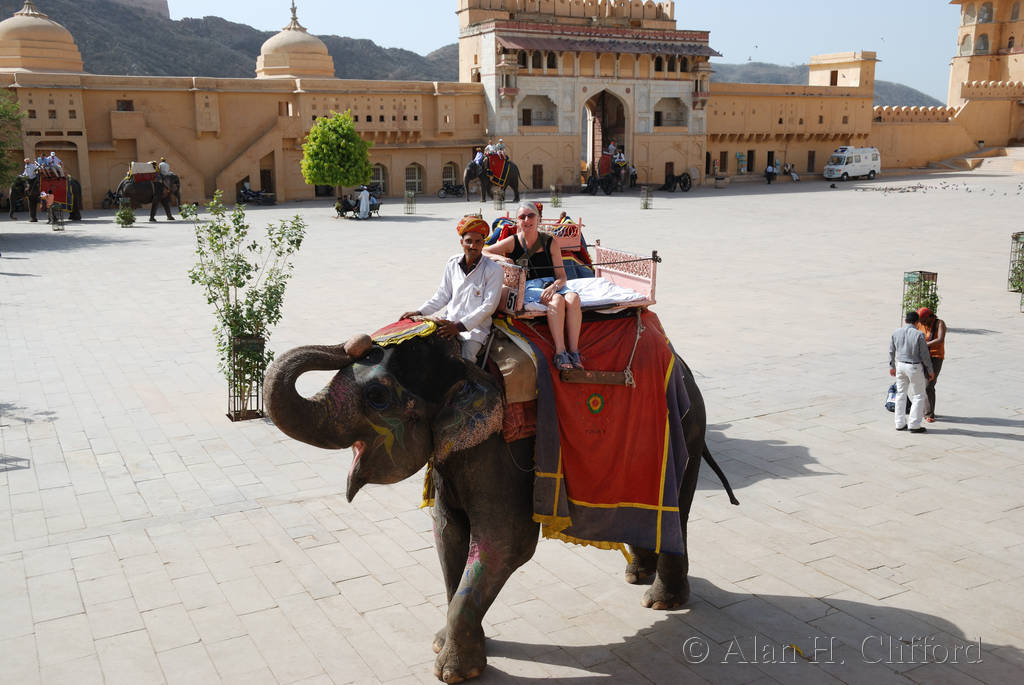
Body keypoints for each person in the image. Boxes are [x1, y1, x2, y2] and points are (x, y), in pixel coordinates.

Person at [484, 201, 584, 371]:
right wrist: (502, 258)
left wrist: (553, 287)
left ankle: (574, 351)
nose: (527, 220)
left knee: (573, 298)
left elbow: (562, 277)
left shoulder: (549, 242)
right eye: (522, 217)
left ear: (538, 219)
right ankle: (560, 351)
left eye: (531, 216)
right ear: (518, 221)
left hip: (551, 284)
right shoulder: (513, 242)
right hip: (528, 286)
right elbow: (484, 251)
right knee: (557, 301)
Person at [400, 215, 503, 362]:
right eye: (468, 241)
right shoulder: (452, 263)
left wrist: (458, 327)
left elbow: (488, 307)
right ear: (461, 242)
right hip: (448, 322)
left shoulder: (494, 270)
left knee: (465, 360)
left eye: (478, 241)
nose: (473, 246)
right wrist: (419, 312)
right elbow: (442, 295)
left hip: (474, 330)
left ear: (483, 243)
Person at [889, 310, 935, 433]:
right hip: (914, 366)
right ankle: (914, 424)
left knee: (900, 394)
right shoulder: (919, 334)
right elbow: (925, 355)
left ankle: (899, 423)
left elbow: (891, 351)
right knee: (918, 395)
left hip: (900, 365)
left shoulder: (896, 332)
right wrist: (930, 370)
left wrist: (892, 366)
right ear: (917, 322)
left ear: (905, 320)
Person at [915, 307, 946, 423]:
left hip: (935, 356)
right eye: (920, 321)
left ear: (930, 317)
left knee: (929, 384)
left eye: (923, 320)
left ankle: (929, 413)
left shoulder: (940, 323)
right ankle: (924, 409)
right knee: (921, 383)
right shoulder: (919, 324)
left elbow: (940, 339)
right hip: (922, 356)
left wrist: (925, 345)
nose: (922, 323)